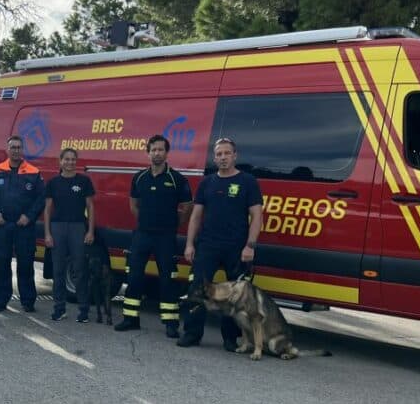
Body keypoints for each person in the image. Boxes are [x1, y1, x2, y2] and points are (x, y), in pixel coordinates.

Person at [178, 137, 263, 350]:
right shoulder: (207, 182)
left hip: (237, 247)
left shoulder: (248, 181)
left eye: (227, 153)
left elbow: (257, 216)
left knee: (235, 295)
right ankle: (192, 334)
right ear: (214, 158)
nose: (223, 157)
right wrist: (190, 244)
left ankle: (230, 338)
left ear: (235, 156)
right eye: (219, 154)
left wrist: (250, 246)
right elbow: (196, 216)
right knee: (197, 289)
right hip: (208, 245)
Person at [114, 135, 192, 337]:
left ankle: (170, 323)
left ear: (167, 153)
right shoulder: (139, 177)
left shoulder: (177, 179)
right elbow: (134, 205)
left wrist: (172, 224)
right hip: (142, 235)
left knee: (168, 279)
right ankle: (131, 318)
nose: (157, 153)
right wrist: (146, 222)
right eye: (153, 150)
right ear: (148, 152)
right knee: (134, 276)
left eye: (160, 150)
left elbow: (187, 208)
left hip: (165, 237)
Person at [0, 135, 45, 313]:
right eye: (13, 147)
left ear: (22, 150)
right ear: (7, 150)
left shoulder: (33, 172)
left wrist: (29, 216)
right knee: (1, 264)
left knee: (25, 264)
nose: (16, 150)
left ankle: (28, 301)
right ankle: (0, 301)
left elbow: (41, 199)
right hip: (2, 226)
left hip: (24, 226)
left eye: (19, 147)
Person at [43, 148, 95, 322]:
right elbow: (48, 210)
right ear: (61, 161)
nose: (70, 162)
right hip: (57, 228)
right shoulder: (53, 183)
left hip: (78, 227)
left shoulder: (84, 181)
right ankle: (59, 309)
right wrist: (48, 234)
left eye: (73, 159)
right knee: (58, 271)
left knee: (80, 269)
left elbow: (90, 207)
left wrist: (90, 231)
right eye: (67, 159)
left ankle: (83, 310)